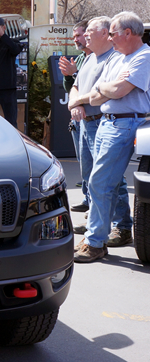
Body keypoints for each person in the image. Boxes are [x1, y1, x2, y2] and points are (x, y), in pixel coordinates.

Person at [68, 11, 150, 262]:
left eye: (113, 34)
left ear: (128, 33)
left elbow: (117, 90)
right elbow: (95, 94)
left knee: (100, 182)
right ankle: (112, 231)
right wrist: (109, 89)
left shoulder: (144, 57)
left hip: (124, 123)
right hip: (108, 122)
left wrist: (110, 89)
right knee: (103, 183)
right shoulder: (119, 59)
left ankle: (95, 242)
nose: (111, 39)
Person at [59, 20, 91, 212]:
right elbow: (70, 89)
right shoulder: (80, 58)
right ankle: (87, 199)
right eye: (73, 36)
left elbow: (92, 86)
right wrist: (68, 75)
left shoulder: (99, 57)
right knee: (83, 162)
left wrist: (75, 73)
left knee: (93, 164)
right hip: (77, 120)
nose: (76, 40)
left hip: (92, 118)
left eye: (78, 35)